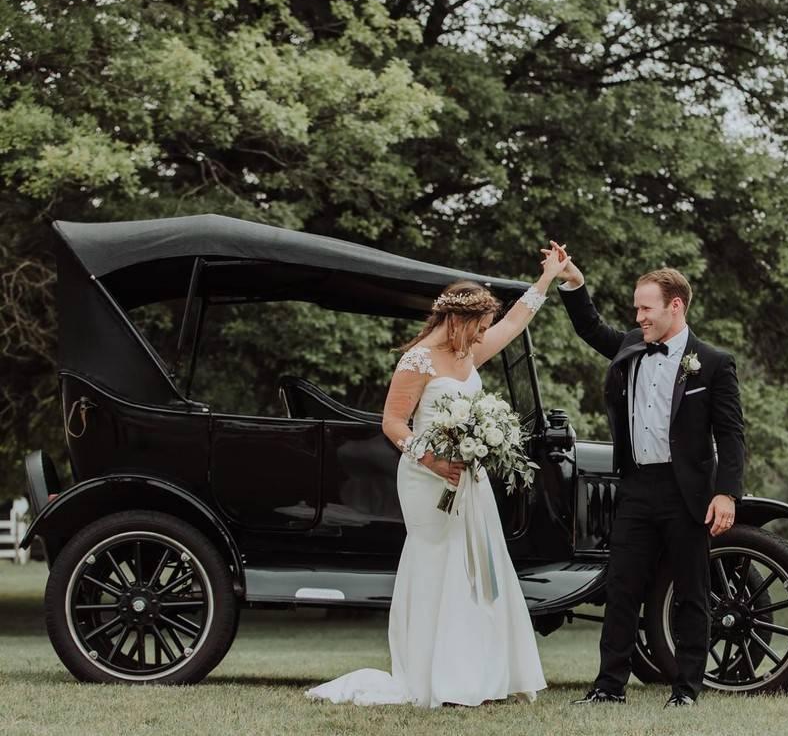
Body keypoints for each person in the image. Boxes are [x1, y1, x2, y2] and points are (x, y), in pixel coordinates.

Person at [305, 244, 571, 708]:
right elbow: (393, 423)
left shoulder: (468, 353)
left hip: (469, 478)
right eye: (479, 326)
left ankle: (478, 675)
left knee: (477, 567)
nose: (484, 334)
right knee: (440, 566)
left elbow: (514, 323)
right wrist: (431, 461)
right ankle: (436, 676)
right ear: (457, 321)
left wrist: (547, 278)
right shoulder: (418, 360)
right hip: (426, 478)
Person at [554, 247, 746, 708]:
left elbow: (731, 435)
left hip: (687, 493)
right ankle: (608, 687)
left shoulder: (713, 363)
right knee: (622, 589)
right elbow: (589, 327)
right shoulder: (630, 346)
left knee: (691, 594)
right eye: (636, 308)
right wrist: (573, 281)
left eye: (645, 308)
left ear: (674, 306)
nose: (638, 316)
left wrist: (726, 493)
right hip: (637, 487)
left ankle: (687, 690)